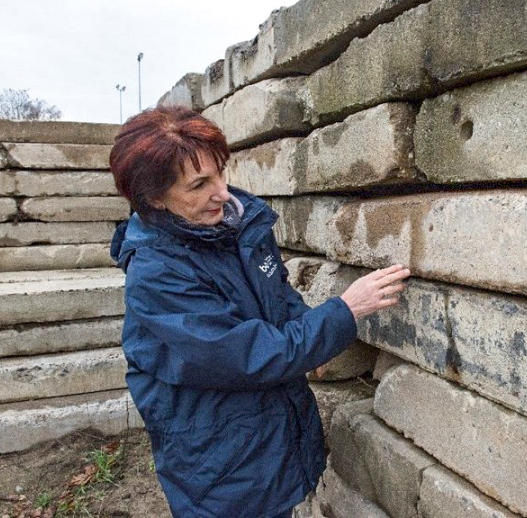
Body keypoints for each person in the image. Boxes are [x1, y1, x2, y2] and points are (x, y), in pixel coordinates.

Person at [108, 106, 409, 518]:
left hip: (264, 435)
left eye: (220, 172)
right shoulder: (157, 275)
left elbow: (276, 296)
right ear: (155, 199)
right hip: (217, 456)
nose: (222, 192)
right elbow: (245, 355)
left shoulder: (237, 226)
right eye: (199, 185)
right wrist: (344, 312)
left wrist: (309, 333)